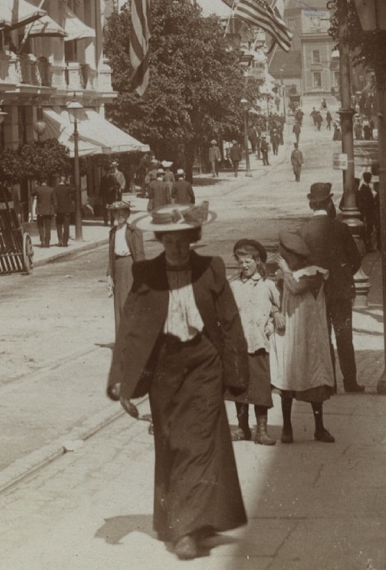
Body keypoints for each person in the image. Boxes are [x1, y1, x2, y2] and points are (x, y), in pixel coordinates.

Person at [106, 204, 248, 562]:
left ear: (193, 239)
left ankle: (185, 531)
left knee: (196, 442)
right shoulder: (146, 273)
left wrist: (238, 373)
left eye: (184, 241)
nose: (177, 248)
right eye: (170, 241)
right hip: (165, 368)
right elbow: (132, 327)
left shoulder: (210, 268)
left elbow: (229, 321)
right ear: (161, 240)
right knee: (171, 441)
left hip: (203, 361)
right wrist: (120, 378)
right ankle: (189, 521)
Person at [270, 222, 337, 443]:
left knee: (313, 378)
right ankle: (287, 427)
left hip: (310, 335)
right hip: (289, 332)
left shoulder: (314, 273)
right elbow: (273, 295)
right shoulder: (286, 274)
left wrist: (286, 272)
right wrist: (275, 311)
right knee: (287, 378)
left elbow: (297, 288)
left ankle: (319, 427)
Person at [306, 182, 363, 393]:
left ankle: (329, 383)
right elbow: (355, 259)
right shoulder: (341, 228)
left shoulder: (303, 231)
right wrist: (342, 275)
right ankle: (351, 382)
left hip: (317, 293)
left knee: (323, 338)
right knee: (344, 336)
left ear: (311, 205)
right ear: (329, 203)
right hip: (340, 291)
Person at [230, 238, 279, 446]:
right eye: (240, 262)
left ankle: (261, 430)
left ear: (257, 262)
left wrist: (272, 321)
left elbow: (279, 307)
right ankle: (242, 428)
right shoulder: (232, 285)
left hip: (259, 343)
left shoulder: (268, 285)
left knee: (259, 387)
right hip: (238, 345)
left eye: (248, 262)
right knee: (239, 387)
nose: (244, 266)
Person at [108, 199, 136, 336]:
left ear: (127, 215)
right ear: (113, 215)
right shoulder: (113, 232)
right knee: (118, 303)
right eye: (117, 214)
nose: (120, 216)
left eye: (123, 214)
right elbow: (110, 255)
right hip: (118, 267)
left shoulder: (133, 231)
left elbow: (139, 254)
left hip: (130, 266)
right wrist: (109, 275)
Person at [357, 172, 379, 253]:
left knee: (368, 231)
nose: (370, 179)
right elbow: (366, 203)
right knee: (368, 231)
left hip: (368, 213)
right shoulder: (364, 188)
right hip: (368, 213)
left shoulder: (364, 188)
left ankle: (368, 247)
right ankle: (368, 247)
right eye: (369, 177)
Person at [34, 178, 56, 247]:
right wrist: (55, 211)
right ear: (46, 181)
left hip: (40, 211)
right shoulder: (51, 189)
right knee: (48, 227)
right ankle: (47, 242)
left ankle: (42, 240)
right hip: (49, 211)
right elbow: (54, 201)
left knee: (40, 226)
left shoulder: (38, 189)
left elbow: (32, 193)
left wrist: (36, 186)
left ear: (40, 182)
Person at [54, 177, 75, 245]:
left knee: (59, 225)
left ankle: (60, 240)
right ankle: (65, 242)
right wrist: (69, 184)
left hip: (59, 210)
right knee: (66, 226)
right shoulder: (67, 188)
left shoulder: (55, 189)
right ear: (65, 181)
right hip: (67, 210)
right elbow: (75, 189)